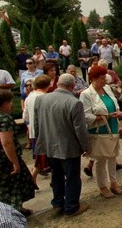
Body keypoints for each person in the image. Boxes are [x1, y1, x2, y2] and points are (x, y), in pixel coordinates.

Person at [34, 73, 91, 217]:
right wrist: (86, 147)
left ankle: (58, 202)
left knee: (56, 175)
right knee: (72, 177)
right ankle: (71, 207)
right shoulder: (74, 102)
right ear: (72, 86)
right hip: (68, 147)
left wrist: (40, 141)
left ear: (58, 83)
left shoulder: (41, 100)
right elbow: (80, 129)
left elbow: (36, 124)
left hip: (49, 145)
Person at [0, 89, 36, 216]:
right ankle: (13, 213)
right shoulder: (4, 119)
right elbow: (7, 143)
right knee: (11, 186)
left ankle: (0, 211)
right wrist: (15, 162)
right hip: (2, 159)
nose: (11, 104)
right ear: (4, 103)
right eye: (9, 102)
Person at [80, 66, 122, 199]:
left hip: (113, 128)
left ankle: (113, 183)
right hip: (99, 131)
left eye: (105, 77)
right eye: (102, 78)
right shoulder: (86, 94)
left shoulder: (107, 89)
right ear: (93, 78)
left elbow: (114, 105)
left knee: (113, 157)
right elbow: (86, 115)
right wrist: (106, 117)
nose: (105, 80)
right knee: (100, 159)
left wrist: (118, 113)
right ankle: (102, 186)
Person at [23, 74, 51, 189]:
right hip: (45, 132)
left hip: (34, 132)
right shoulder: (46, 97)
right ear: (48, 85)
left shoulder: (29, 97)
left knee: (41, 156)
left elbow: (25, 116)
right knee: (46, 156)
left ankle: (33, 178)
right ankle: (33, 177)